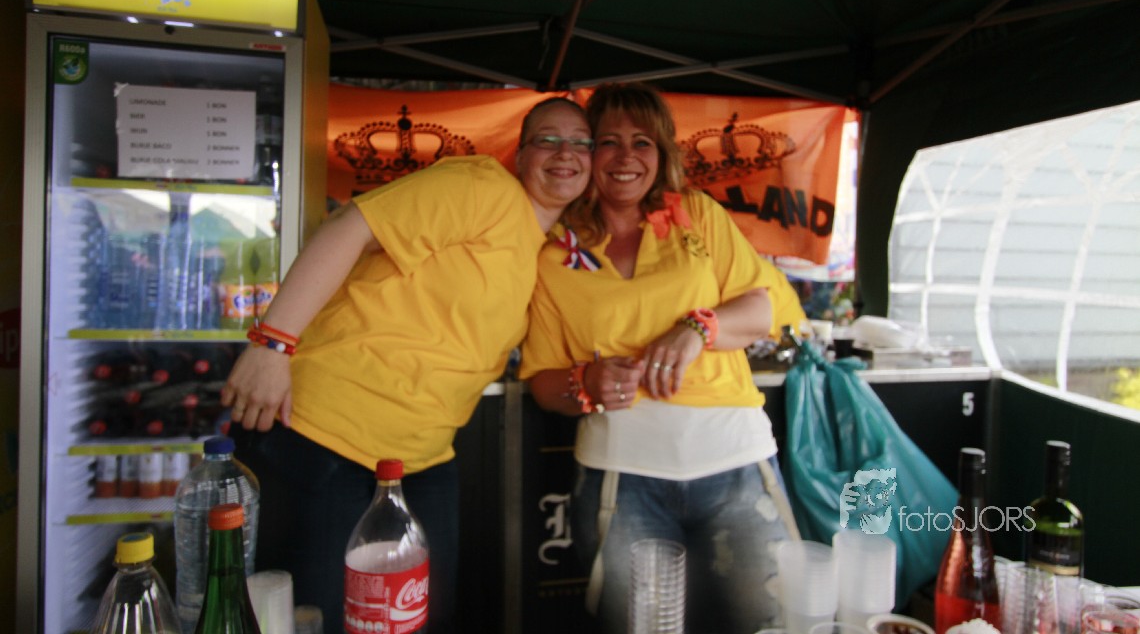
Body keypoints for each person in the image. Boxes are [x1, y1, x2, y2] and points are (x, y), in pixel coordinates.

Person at [221, 97, 593, 634]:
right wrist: (272, 343)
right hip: (325, 433)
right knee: (315, 620)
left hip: (421, 457)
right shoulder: (483, 187)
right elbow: (351, 226)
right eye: (548, 139)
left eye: (581, 142)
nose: (565, 153)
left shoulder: (545, 248)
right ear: (520, 154)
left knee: (423, 618)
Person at [520, 82, 801, 634]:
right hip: (622, 480)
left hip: (736, 465)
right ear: (588, 153)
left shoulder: (697, 214)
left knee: (769, 626)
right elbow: (541, 382)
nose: (626, 156)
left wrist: (698, 327)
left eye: (643, 142)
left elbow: (760, 309)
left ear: (662, 153)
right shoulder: (554, 252)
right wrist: (587, 381)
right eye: (609, 141)